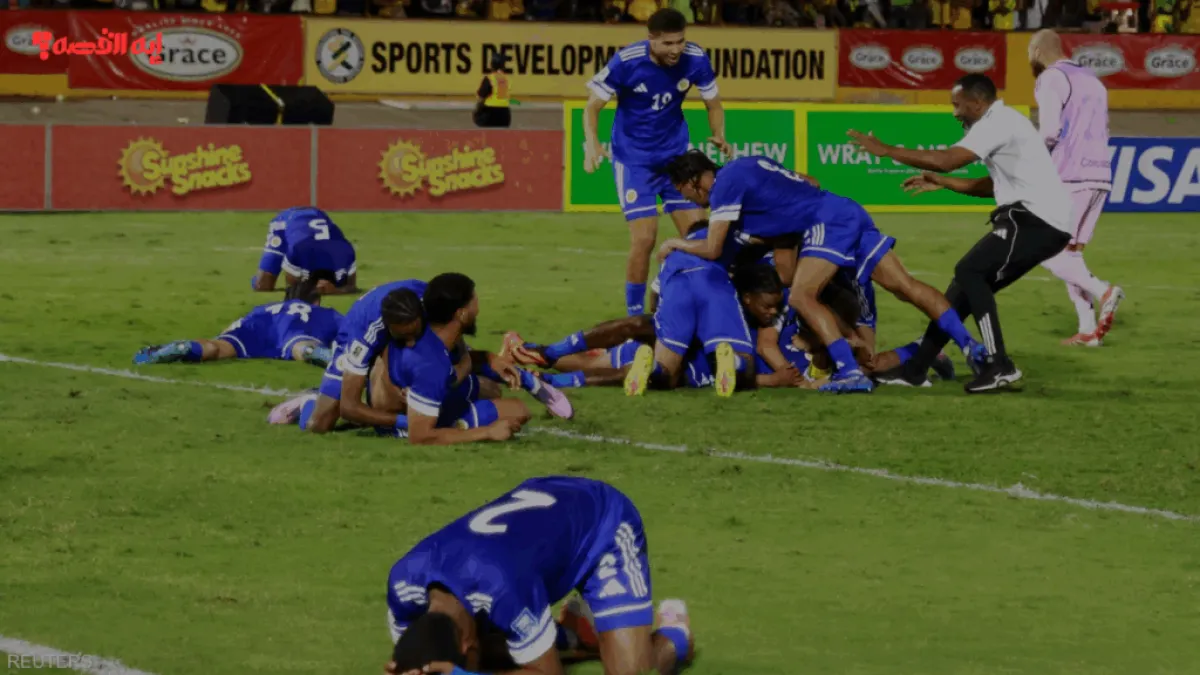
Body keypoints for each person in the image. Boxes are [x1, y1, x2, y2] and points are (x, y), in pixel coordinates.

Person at [660, 151, 983, 394]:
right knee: (904, 286)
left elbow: (713, 248)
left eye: (686, 193)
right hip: (846, 209)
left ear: (693, 180)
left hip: (825, 222)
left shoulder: (723, 188)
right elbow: (811, 182)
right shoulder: (751, 164)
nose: (695, 202)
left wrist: (675, 242)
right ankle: (971, 347)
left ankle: (849, 373)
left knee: (802, 297)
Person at [848, 73, 1073, 392]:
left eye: (958, 105)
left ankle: (999, 366)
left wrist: (886, 150)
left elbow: (946, 160)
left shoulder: (997, 122)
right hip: (1038, 220)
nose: (955, 113)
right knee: (960, 292)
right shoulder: (1006, 123)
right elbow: (992, 186)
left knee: (970, 271)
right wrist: (944, 183)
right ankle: (915, 369)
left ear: (978, 103)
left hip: (1036, 220)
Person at [383, 476, 695, 675]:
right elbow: (421, 656)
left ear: (467, 645)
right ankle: (572, 634)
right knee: (499, 653)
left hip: (601, 522)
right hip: (537, 526)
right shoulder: (402, 585)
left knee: (632, 671)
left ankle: (676, 634)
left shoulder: (502, 589)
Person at [582, 8, 732, 316]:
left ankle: (696, 305)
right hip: (634, 162)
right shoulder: (626, 61)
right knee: (644, 239)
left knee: (701, 236)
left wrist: (718, 133)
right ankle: (636, 317)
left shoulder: (696, 59)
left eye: (680, 41)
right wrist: (592, 143)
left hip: (677, 159)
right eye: (668, 43)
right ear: (651, 39)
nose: (676, 49)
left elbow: (714, 104)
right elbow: (592, 107)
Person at [381, 272, 573, 444]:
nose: (478, 309)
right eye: (474, 301)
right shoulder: (432, 366)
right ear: (462, 314)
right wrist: (487, 432)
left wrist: (488, 359)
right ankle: (452, 425)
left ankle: (536, 386)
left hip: (423, 390)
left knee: (492, 390)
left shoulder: (430, 331)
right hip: (413, 416)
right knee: (518, 411)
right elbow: (420, 437)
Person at [1027, 29, 1124, 347]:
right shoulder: (1093, 80)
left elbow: (1049, 131)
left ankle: (1104, 291)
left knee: (1045, 249)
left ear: (1037, 51)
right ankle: (1087, 331)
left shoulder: (1050, 78)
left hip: (1070, 175)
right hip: (1100, 174)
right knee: (1071, 255)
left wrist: (1030, 161)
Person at [267, 279, 430, 430]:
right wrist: (405, 422)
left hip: (398, 314)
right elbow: (349, 407)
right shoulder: (363, 335)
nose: (411, 343)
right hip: (362, 324)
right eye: (404, 337)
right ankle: (309, 399)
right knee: (318, 424)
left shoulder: (435, 310)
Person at [624, 221, 757, 397]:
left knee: (669, 373)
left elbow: (654, 295)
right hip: (711, 280)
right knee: (748, 367)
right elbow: (757, 239)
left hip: (675, 287)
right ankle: (734, 361)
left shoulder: (673, 255)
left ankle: (653, 367)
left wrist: (663, 323)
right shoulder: (724, 236)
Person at [133, 274, 341, 367]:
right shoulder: (324, 313)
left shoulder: (264, 308)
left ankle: (182, 348)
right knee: (301, 346)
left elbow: (228, 331)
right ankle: (316, 353)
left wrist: (219, 341)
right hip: (294, 331)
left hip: (259, 326)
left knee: (217, 347)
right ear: (316, 301)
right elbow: (352, 332)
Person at [253, 207, 359, 295]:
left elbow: (351, 287)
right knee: (262, 285)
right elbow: (292, 289)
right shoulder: (297, 251)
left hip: (318, 217)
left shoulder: (346, 252)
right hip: (286, 221)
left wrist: (334, 290)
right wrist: (315, 289)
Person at [474, 53, 512, 129]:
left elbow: (481, 97)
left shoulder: (489, 78)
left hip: (490, 114)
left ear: (491, 65)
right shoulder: (505, 79)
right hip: (505, 115)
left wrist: (477, 111)